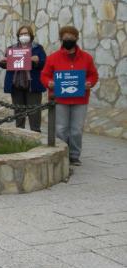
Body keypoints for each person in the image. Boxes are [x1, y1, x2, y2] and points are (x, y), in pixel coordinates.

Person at [41, 26, 98, 166]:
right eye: (65, 37)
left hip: (80, 99)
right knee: (60, 128)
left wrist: (89, 83)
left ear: (76, 38)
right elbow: (44, 75)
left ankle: (74, 155)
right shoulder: (53, 58)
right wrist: (50, 83)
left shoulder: (86, 58)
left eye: (71, 37)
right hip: (60, 99)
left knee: (76, 129)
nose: (68, 40)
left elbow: (93, 74)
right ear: (61, 39)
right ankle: (61, 154)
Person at [0, 25, 46, 132]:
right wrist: (2, 62)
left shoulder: (38, 48)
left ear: (31, 35)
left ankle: (35, 133)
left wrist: (37, 60)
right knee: (18, 112)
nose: (24, 36)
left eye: (26, 34)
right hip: (16, 84)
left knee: (34, 111)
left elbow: (44, 64)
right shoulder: (11, 49)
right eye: (21, 34)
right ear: (18, 36)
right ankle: (20, 133)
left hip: (32, 85)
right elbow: (6, 65)